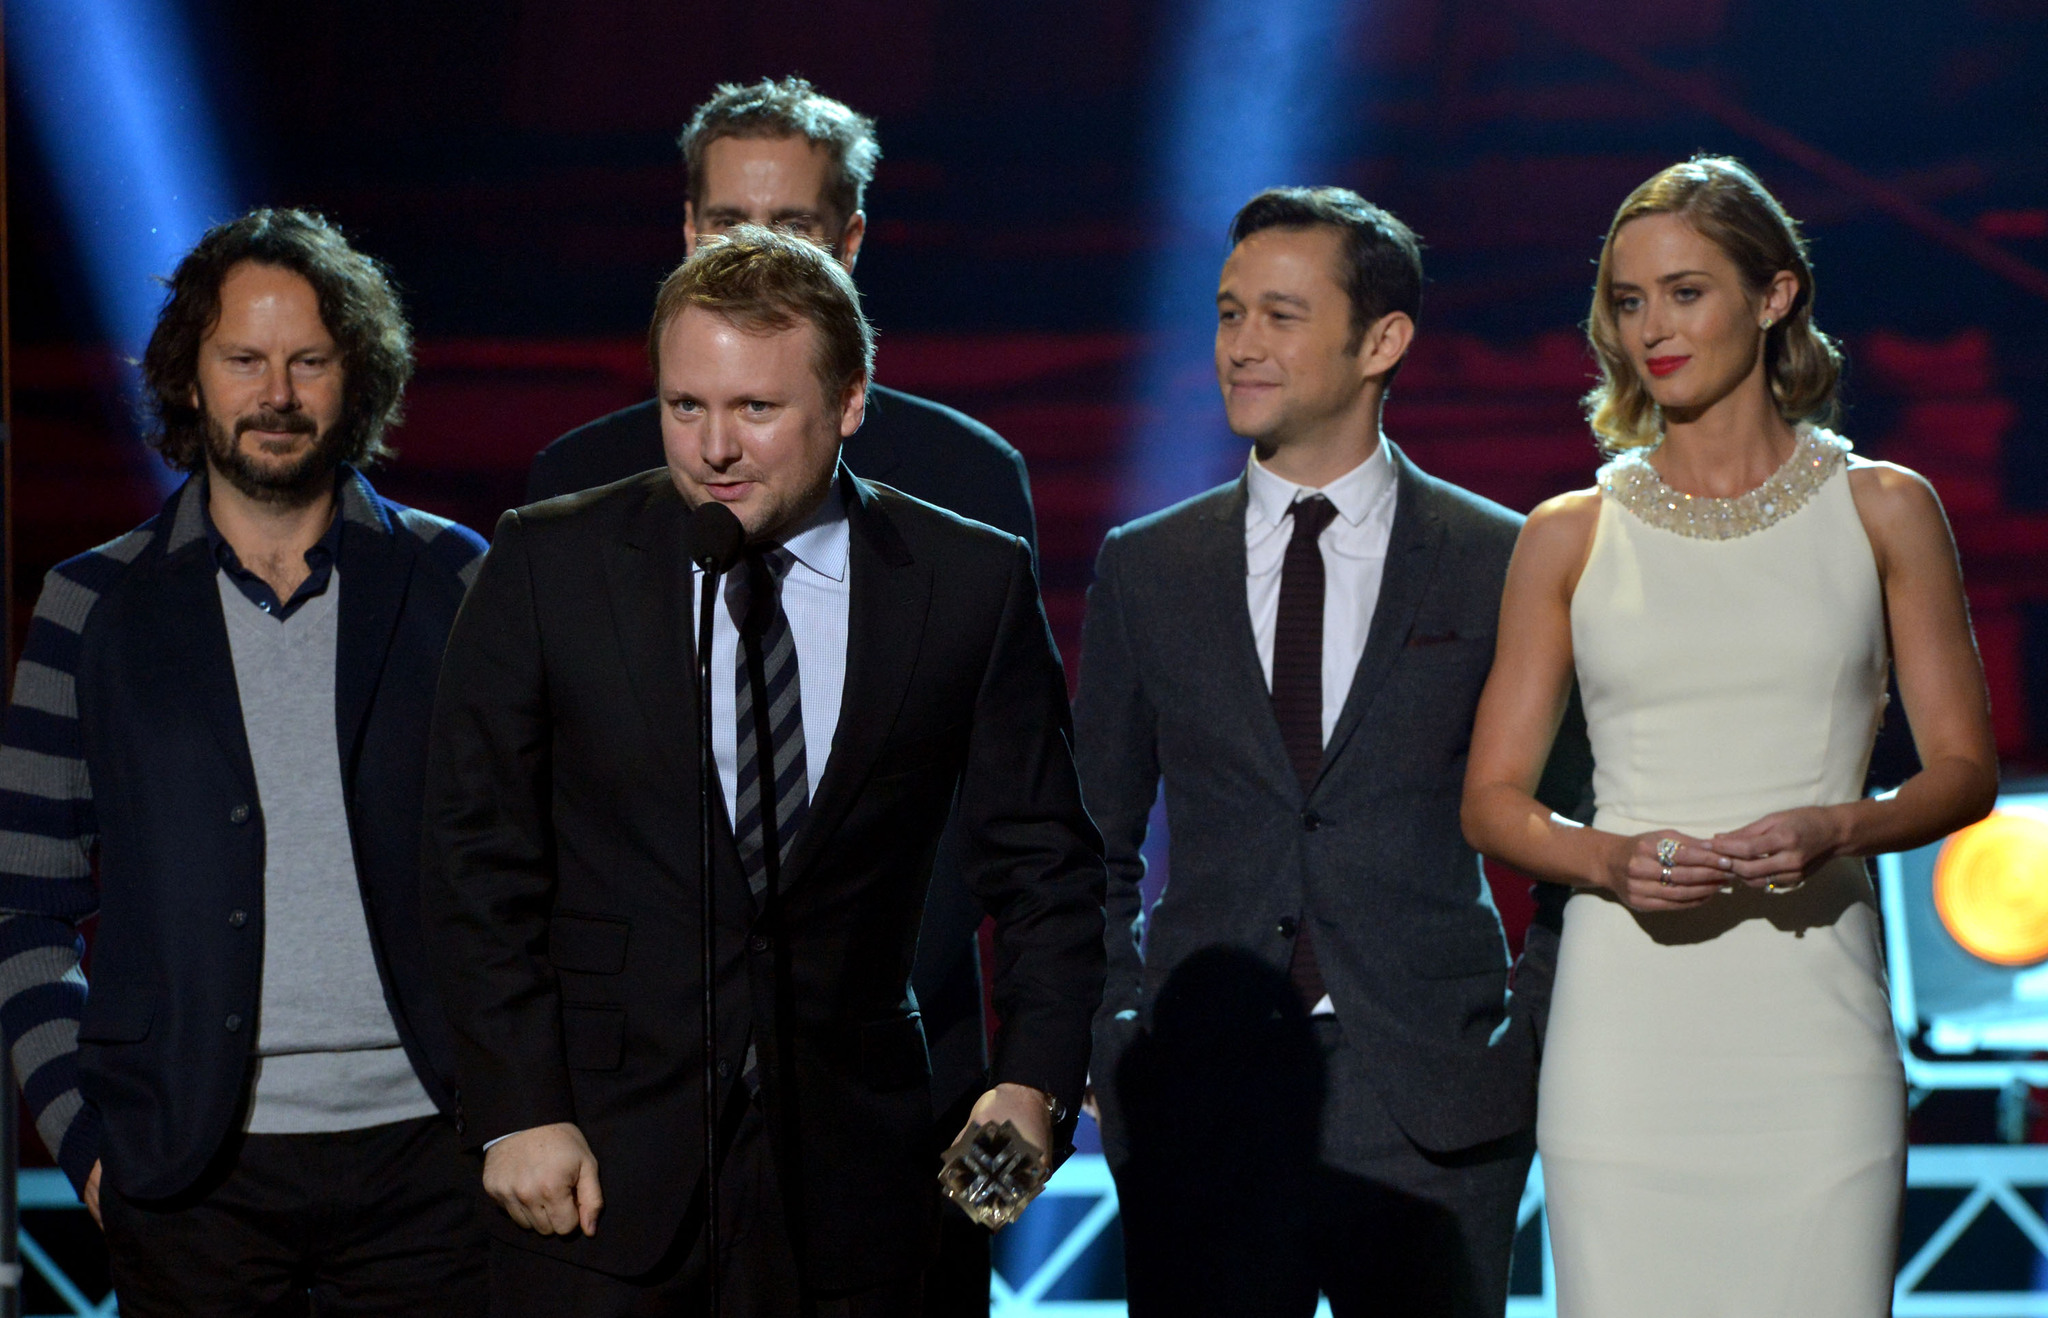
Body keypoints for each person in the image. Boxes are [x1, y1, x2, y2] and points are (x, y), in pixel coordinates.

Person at [423, 225, 1105, 1318]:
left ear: (848, 403)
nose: (712, 449)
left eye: (754, 409)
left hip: (861, 1171)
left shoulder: (965, 582)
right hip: (591, 1169)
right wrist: (513, 1107)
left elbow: (1047, 866)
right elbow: (472, 856)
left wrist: (1030, 1084)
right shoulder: (549, 562)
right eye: (685, 406)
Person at [526, 78, 1034, 1311]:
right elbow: (509, 824)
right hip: (637, 1100)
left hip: (894, 1061)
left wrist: (1008, 1068)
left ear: (851, 240)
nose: (752, 251)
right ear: (685, 225)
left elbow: (1015, 807)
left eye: (794, 227)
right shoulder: (580, 489)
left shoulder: (965, 487)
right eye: (722, 221)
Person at [1461, 156, 1998, 1316]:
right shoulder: (1568, 532)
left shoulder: (1883, 507)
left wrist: (1836, 826)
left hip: (1812, 1022)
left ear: (1774, 295)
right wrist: (1607, 857)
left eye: (1684, 291)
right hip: (1624, 1028)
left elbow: (1963, 773)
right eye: (1625, 298)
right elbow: (1491, 800)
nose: (1649, 327)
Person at [1073, 186, 1590, 1317]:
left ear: (1382, 341)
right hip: (1201, 1099)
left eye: (1278, 315)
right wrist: (1116, 1046)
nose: (1239, 345)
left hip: (1435, 1095)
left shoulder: (1497, 556)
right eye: (1225, 314)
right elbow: (1087, 843)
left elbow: (1575, 829)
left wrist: (1523, 1040)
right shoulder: (1148, 566)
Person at [0, 208, 491, 1313]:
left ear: (353, 376)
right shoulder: (93, 604)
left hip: (432, 1163)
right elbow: (20, 907)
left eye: (308, 360)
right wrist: (85, 1141)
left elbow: (537, 869)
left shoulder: (453, 577)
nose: (276, 392)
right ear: (189, 377)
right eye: (244, 359)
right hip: (185, 1175)